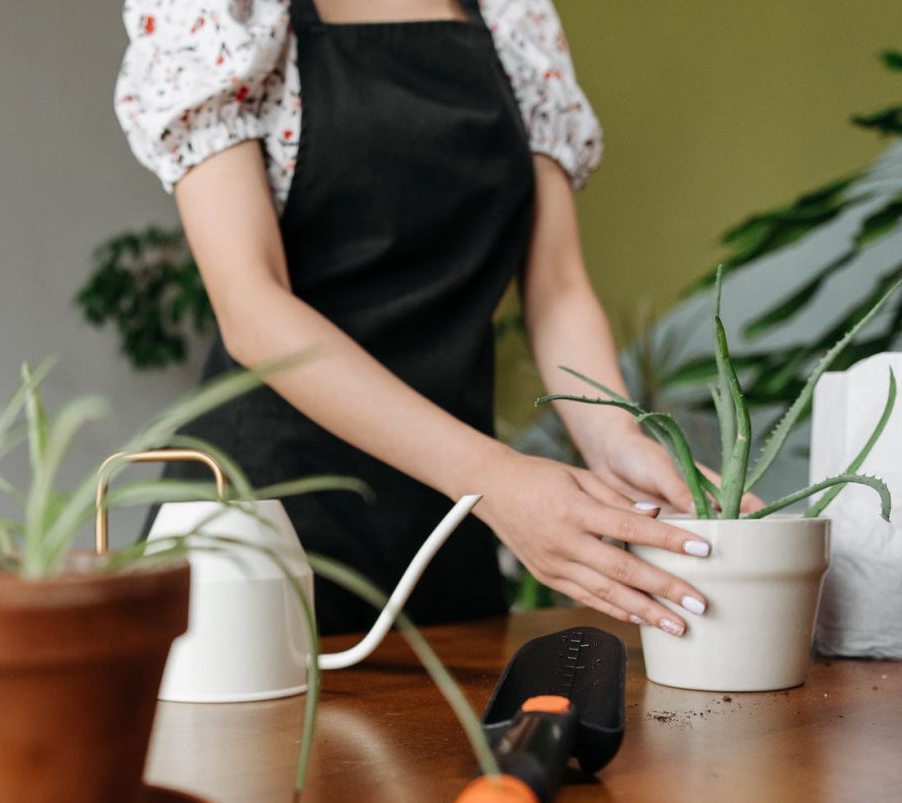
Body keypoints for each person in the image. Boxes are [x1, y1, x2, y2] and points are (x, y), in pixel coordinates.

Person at [115, 0, 757, 635]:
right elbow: (253, 308)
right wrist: (494, 479)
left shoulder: (512, 15)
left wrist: (618, 440)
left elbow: (556, 287)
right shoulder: (225, 13)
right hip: (267, 527)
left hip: (451, 528)